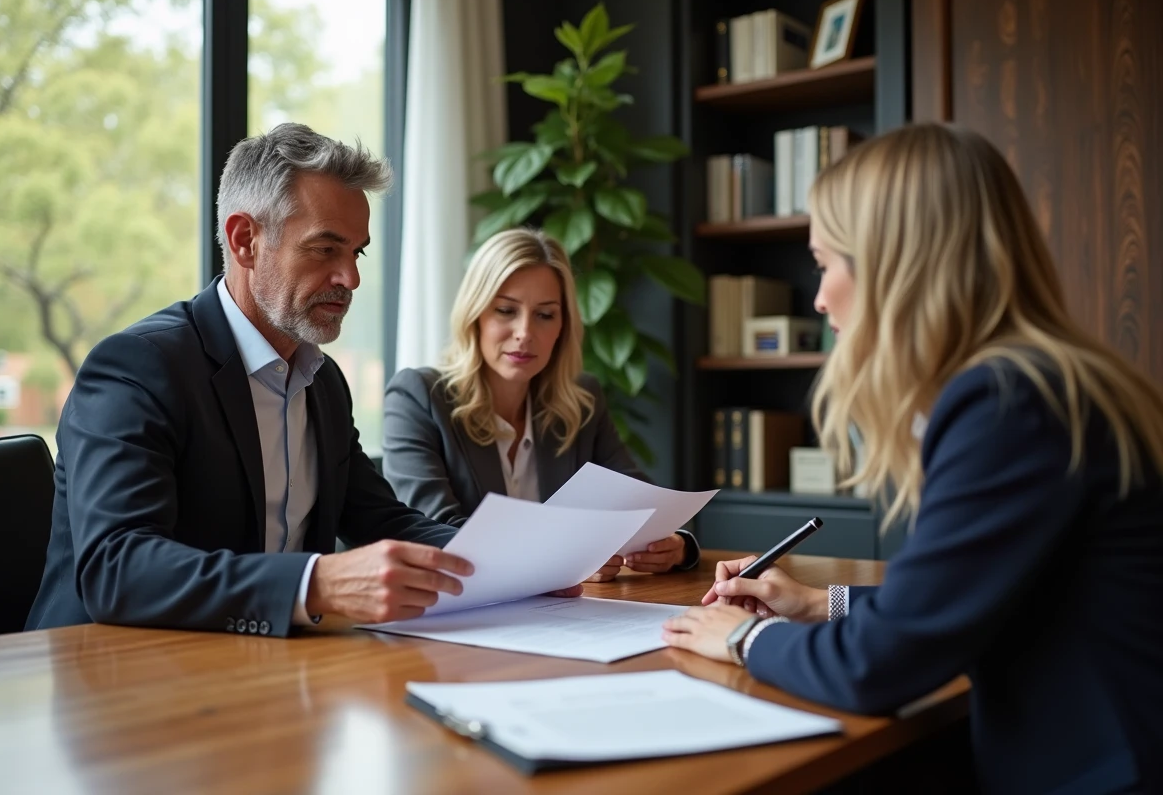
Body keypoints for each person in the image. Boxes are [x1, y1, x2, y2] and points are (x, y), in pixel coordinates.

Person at [661, 124, 1163, 794]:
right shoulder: (1044, 381)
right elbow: (971, 597)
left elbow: (879, 667)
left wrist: (740, 639)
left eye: (824, 262)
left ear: (895, 263)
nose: (817, 297)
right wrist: (820, 603)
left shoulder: (1006, 403)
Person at [25, 123, 504, 638]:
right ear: (244, 240)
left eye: (357, 252)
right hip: (104, 681)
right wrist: (315, 583)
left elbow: (382, 520)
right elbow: (117, 569)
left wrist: (518, 561)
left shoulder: (322, 381)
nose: (351, 278)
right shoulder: (136, 368)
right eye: (326, 249)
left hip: (257, 668)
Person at [382, 227, 699, 581]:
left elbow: (644, 507)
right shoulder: (417, 397)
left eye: (545, 315)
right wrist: (562, 559)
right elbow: (434, 531)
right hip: (462, 611)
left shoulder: (581, 401)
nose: (524, 333)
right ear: (475, 315)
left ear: (563, 326)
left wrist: (675, 545)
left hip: (567, 617)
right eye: (505, 310)